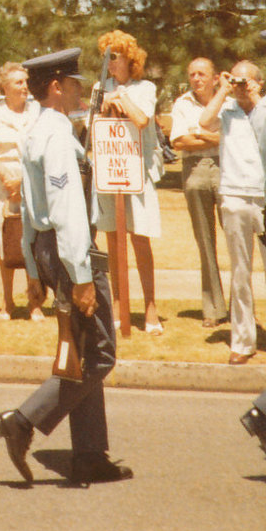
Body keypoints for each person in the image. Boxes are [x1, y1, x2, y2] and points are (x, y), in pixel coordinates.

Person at [0, 48, 131, 487]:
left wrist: (34, 270)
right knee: (102, 355)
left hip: (52, 251)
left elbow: (30, 211)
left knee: (85, 351)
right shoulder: (55, 135)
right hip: (73, 253)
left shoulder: (38, 131)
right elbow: (66, 209)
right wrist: (83, 276)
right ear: (55, 87)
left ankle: (89, 455)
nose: (76, 89)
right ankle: (24, 420)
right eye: (72, 83)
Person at [93, 29, 163, 333]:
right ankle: (120, 305)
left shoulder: (144, 87)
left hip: (138, 170)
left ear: (129, 60)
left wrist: (120, 98)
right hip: (109, 169)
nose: (110, 63)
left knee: (140, 238)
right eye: (106, 58)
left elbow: (142, 119)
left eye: (115, 57)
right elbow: (92, 123)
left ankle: (150, 308)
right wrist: (105, 102)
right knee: (111, 237)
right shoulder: (100, 86)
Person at [197, 59, 266, 364]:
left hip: (263, 197)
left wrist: (256, 100)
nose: (239, 86)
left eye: (244, 81)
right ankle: (242, 341)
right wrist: (223, 90)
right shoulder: (226, 110)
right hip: (235, 196)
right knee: (240, 273)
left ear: (258, 82)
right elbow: (204, 121)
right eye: (234, 80)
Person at [0, 62, 43, 322]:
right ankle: (6, 301)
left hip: (32, 182)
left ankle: (35, 302)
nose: (24, 87)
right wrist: (9, 179)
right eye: (18, 82)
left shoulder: (37, 110)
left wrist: (24, 182)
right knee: (7, 244)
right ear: (4, 87)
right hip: (2, 184)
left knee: (33, 244)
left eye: (25, 82)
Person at [169, 57, 228, 328]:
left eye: (202, 74)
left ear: (215, 78)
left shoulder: (229, 101)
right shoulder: (182, 104)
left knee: (239, 242)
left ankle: (243, 305)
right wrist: (218, 136)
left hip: (227, 169)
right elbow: (180, 141)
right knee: (205, 243)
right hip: (195, 172)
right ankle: (213, 308)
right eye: (192, 74)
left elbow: (236, 138)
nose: (196, 78)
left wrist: (201, 133)